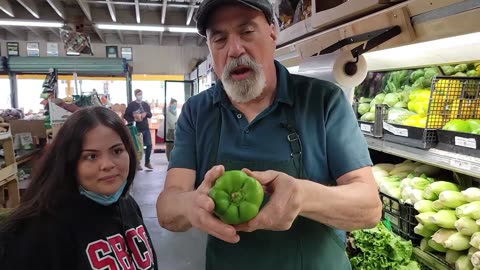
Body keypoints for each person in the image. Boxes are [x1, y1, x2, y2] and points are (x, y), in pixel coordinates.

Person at [156, 0, 383, 269]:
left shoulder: (322, 101)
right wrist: (190, 206)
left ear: (272, 32)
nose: (235, 49)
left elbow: (369, 208)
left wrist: (303, 196)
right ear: (210, 48)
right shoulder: (197, 112)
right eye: (219, 39)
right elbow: (167, 208)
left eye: (247, 31)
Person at [0, 107, 158, 270]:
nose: (108, 165)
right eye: (91, 156)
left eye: (117, 151)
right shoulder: (40, 231)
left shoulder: (127, 204)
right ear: (69, 162)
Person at [124, 89, 153, 170]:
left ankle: (147, 162)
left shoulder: (145, 104)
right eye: (138, 94)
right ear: (135, 95)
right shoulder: (131, 105)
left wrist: (146, 113)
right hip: (136, 129)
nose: (140, 96)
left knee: (149, 145)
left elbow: (150, 115)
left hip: (145, 127)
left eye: (141, 94)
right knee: (137, 147)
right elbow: (125, 115)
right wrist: (133, 119)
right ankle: (137, 163)